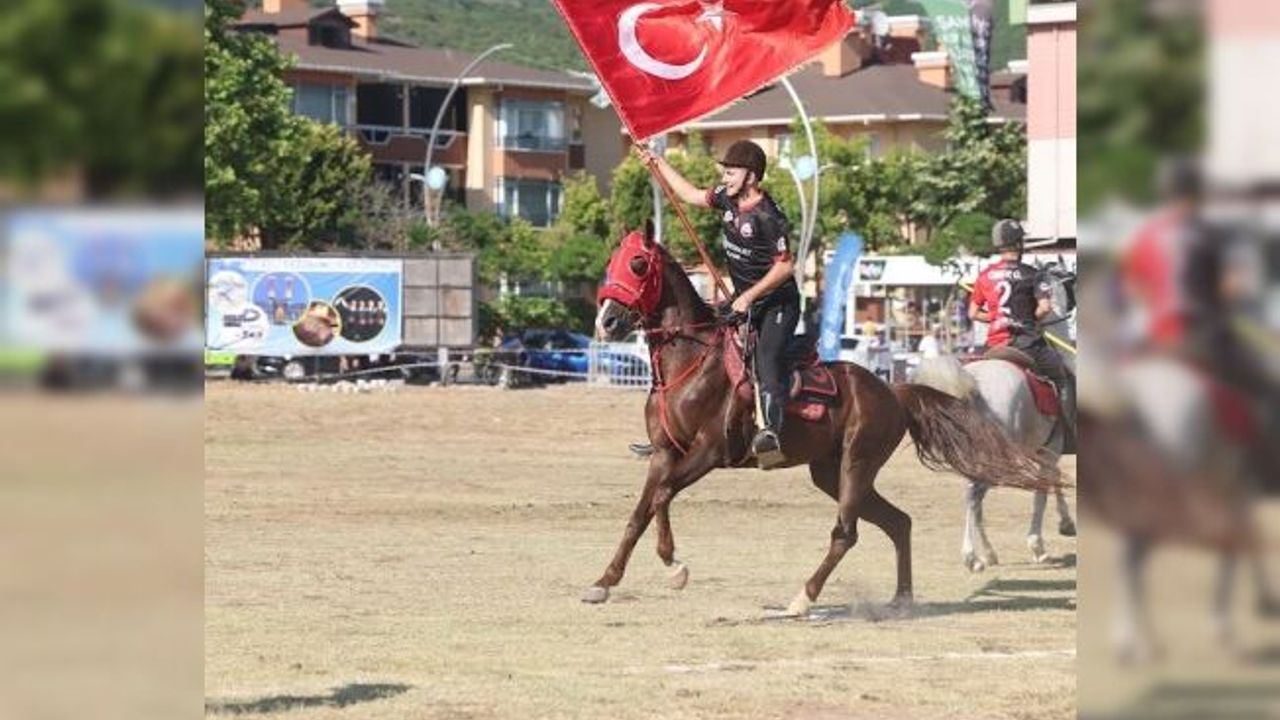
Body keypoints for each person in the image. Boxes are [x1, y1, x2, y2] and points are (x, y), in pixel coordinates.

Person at [637, 140, 800, 461]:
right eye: (724, 172)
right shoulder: (726, 198)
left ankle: (771, 435)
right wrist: (657, 162)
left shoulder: (769, 216)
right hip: (743, 302)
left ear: (751, 176)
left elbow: (785, 267)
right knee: (703, 345)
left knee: (765, 360)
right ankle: (676, 431)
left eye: (731, 172)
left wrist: (749, 295)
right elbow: (691, 195)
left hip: (777, 306)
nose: (724, 178)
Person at [969, 219, 1076, 438]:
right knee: (1062, 376)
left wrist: (998, 318)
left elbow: (973, 313)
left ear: (998, 245)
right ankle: (1068, 432)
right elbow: (1045, 307)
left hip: (995, 345)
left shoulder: (984, 275)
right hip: (1027, 343)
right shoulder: (1034, 274)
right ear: (1019, 244)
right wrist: (1027, 318)